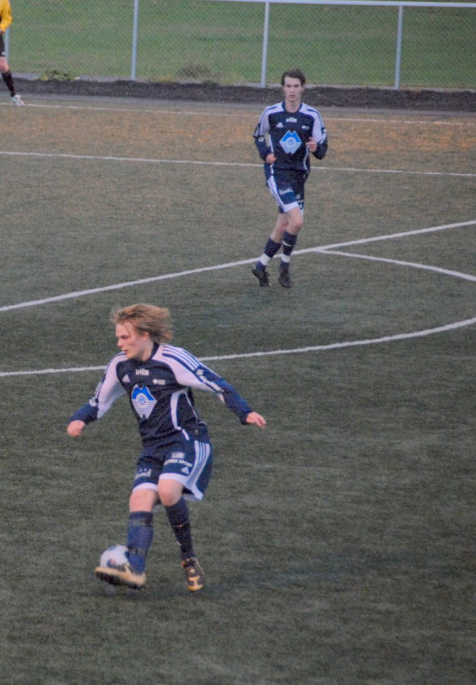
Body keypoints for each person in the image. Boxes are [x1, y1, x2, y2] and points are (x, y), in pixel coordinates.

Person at [67, 304, 265, 592]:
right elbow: (98, 402)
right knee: (139, 500)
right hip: (152, 448)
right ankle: (135, 569)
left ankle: (188, 558)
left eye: (124, 337)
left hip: (187, 439)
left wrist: (244, 412)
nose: (119, 343)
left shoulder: (173, 359)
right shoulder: (120, 366)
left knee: (168, 489)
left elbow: (217, 384)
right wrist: (79, 419)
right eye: (118, 337)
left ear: (144, 335)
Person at [250, 68, 327, 288]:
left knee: (284, 223)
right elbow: (258, 135)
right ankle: (284, 266)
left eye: (296, 86)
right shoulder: (271, 113)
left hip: (299, 176)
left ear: (303, 88)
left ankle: (261, 266)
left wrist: (316, 148)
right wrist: (266, 154)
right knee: (297, 221)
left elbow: (322, 150)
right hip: (277, 174)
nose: (292, 90)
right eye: (288, 86)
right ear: (283, 88)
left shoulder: (312, 116)